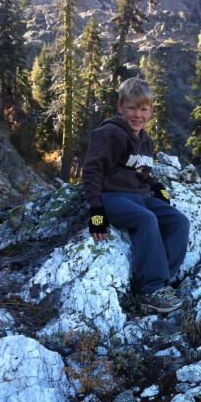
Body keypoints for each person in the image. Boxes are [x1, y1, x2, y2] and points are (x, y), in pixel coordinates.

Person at [82, 77, 190, 314]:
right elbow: (92, 169)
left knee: (179, 221)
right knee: (146, 219)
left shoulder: (146, 140)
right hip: (112, 196)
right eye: (131, 108)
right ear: (120, 107)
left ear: (151, 111)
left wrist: (156, 184)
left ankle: (163, 282)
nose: (137, 114)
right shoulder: (109, 133)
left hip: (138, 196)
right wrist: (96, 209)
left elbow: (140, 170)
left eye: (143, 109)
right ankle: (151, 290)